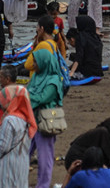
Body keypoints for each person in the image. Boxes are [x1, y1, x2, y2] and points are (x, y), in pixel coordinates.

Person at [28, 46, 65, 188]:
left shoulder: (54, 81)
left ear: (44, 62)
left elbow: (42, 98)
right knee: (23, 153)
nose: (33, 65)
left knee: (45, 158)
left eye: (36, 62)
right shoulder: (37, 76)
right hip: (31, 121)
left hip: (45, 123)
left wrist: (25, 98)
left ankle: (42, 185)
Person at [0, 82, 36, 187]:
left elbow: (4, 146)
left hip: (8, 165)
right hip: (22, 163)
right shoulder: (27, 119)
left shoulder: (9, 120)